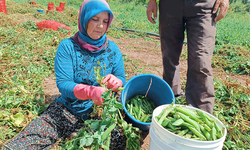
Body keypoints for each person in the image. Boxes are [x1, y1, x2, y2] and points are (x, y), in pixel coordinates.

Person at [2, 0, 125, 149]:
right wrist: (91, 92)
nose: (100, 26)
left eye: (105, 21)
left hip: (102, 115)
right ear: (84, 18)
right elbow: (64, 84)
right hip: (68, 110)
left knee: (118, 138)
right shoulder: (68, 47)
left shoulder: (113, 50)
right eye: (95, 19)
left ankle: (79, 135)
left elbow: (121, 79)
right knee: (26, 142)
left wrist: (116, 82)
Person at [146, 0, 229, 114]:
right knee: (169, 56)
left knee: (201, 60)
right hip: (169, 5)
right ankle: (171, 102)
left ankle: (199, 114)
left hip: (203, 6)